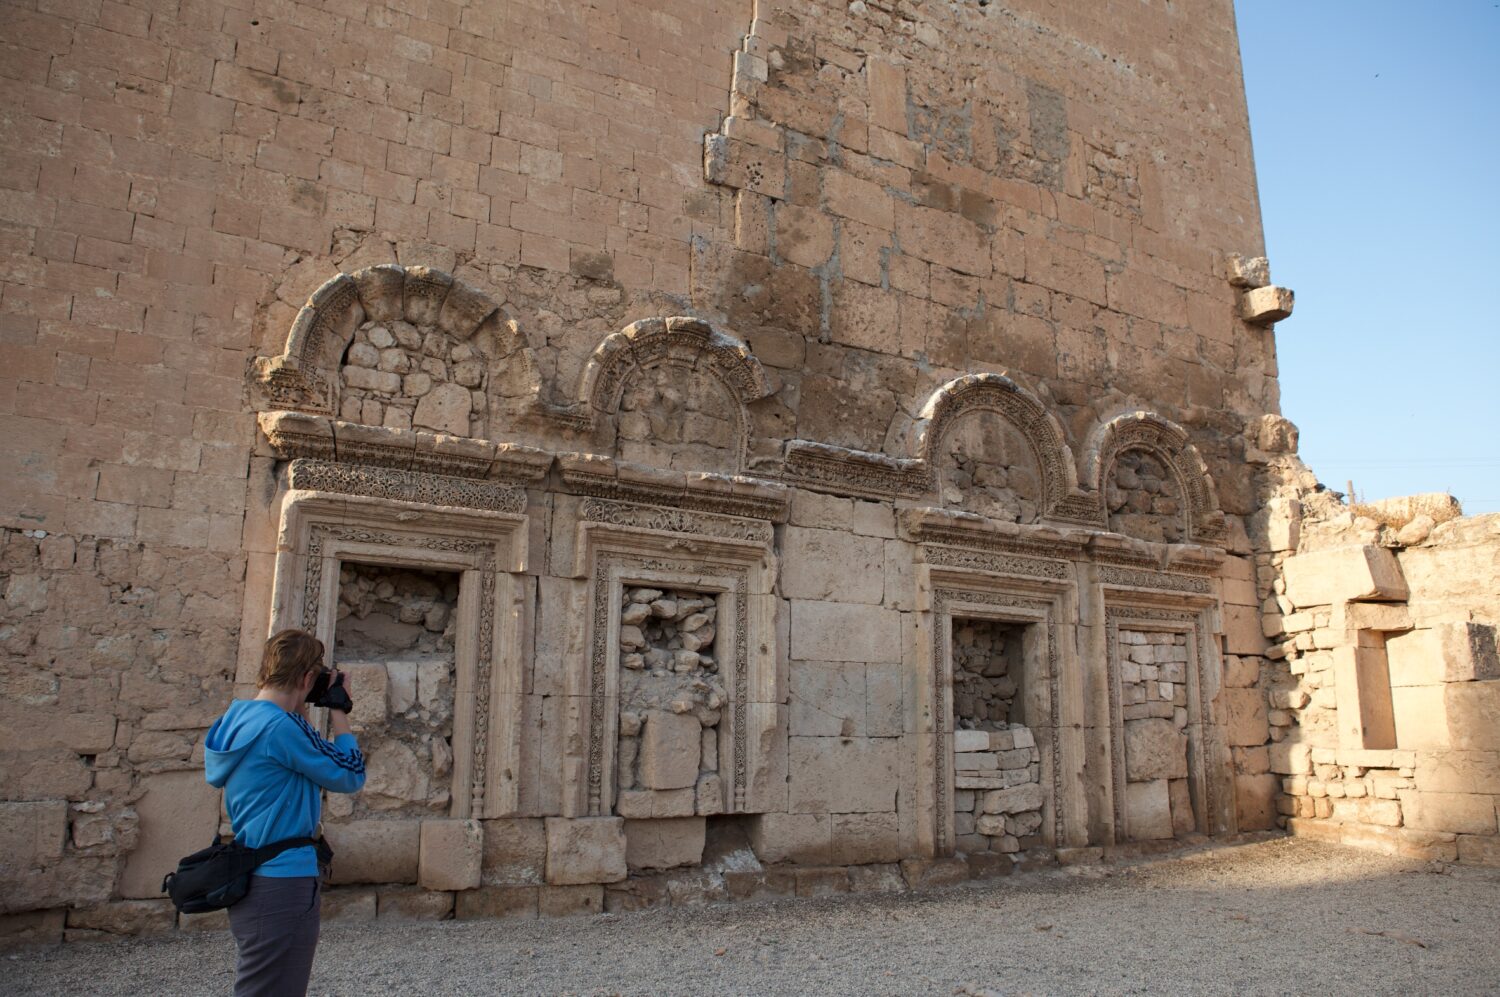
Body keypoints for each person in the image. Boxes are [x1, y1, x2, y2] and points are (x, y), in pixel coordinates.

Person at [204, 629, 365, 997]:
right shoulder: (282, 728)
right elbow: (350, 773)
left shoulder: (238, 718)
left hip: (254, 875)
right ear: (307, 678)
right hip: (283, 883)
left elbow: (295, 760)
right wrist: (339, 709)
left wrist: (302, 706)